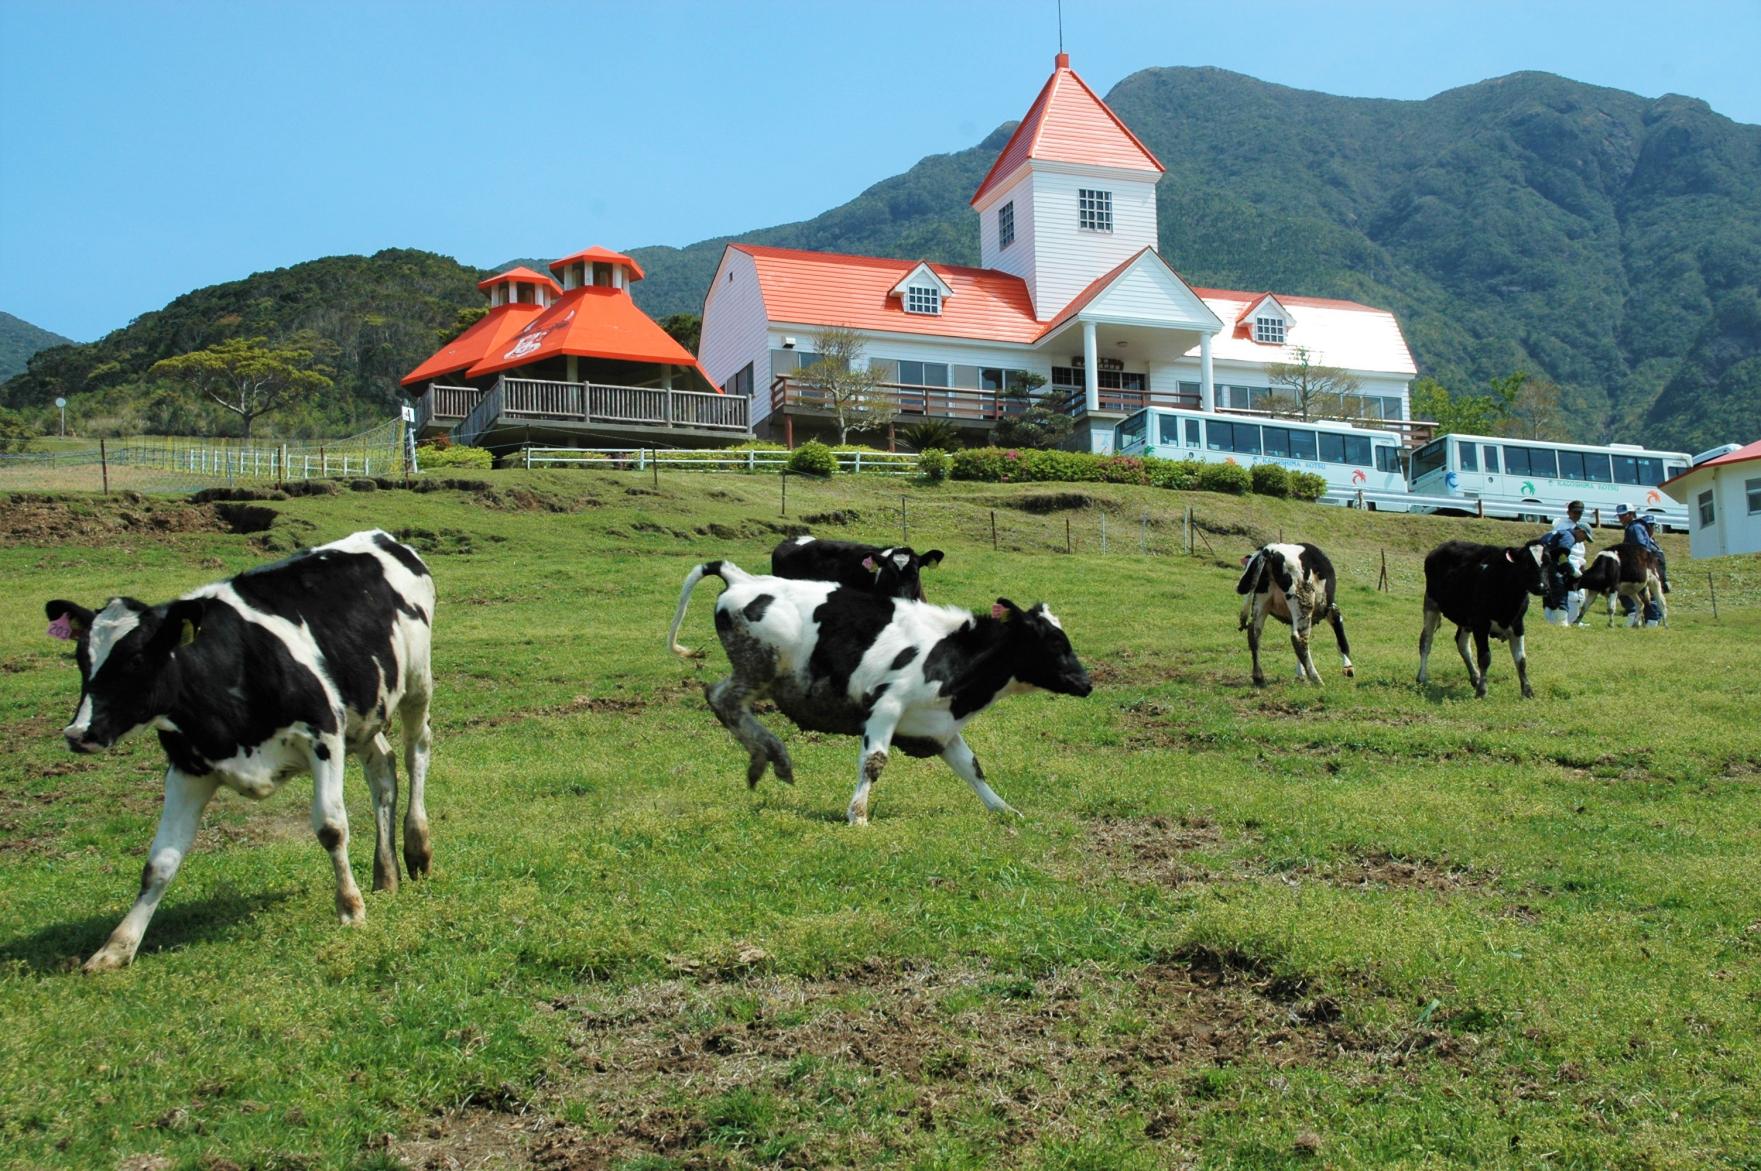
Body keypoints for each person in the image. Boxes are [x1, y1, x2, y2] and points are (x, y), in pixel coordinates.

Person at [1616, 503, 1666, 625]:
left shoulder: (1634, 528)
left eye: (1624, 515)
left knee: (1626, 590)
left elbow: (1640, 546)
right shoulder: (1634, 527)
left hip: (1639, 564)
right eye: (1619, 516)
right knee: (1644, 593)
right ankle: (1647, 620)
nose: (1620, 518)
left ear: (1632, 514)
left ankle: (1641, 618)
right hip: (1644, 563)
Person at [1540, 519, 1592, 624]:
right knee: (1561, 595)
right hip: (1553, 567)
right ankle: (1562, 623)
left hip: (1544, 566)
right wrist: (1572, 571)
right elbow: (1562, 555)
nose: (1583, 541)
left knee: (1549, 597)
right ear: (1580, 531)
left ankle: (1550, 622)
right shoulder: (1569, 536)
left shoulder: (1559, 532)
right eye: (1585, 537)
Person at [1551, 500, 1591, 623]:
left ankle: (1575, 619)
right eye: (1575, 512)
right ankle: (1569, 620)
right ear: (1568, 511)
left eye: (1580, 513)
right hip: (1568, 561)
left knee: (1580, 595)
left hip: (1577, 562)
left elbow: (1580, 550)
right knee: (1572, 595)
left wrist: (1582, 564)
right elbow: (1562, 550)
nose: (1577, 515)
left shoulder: (1578, 526)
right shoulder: (1563, 526)